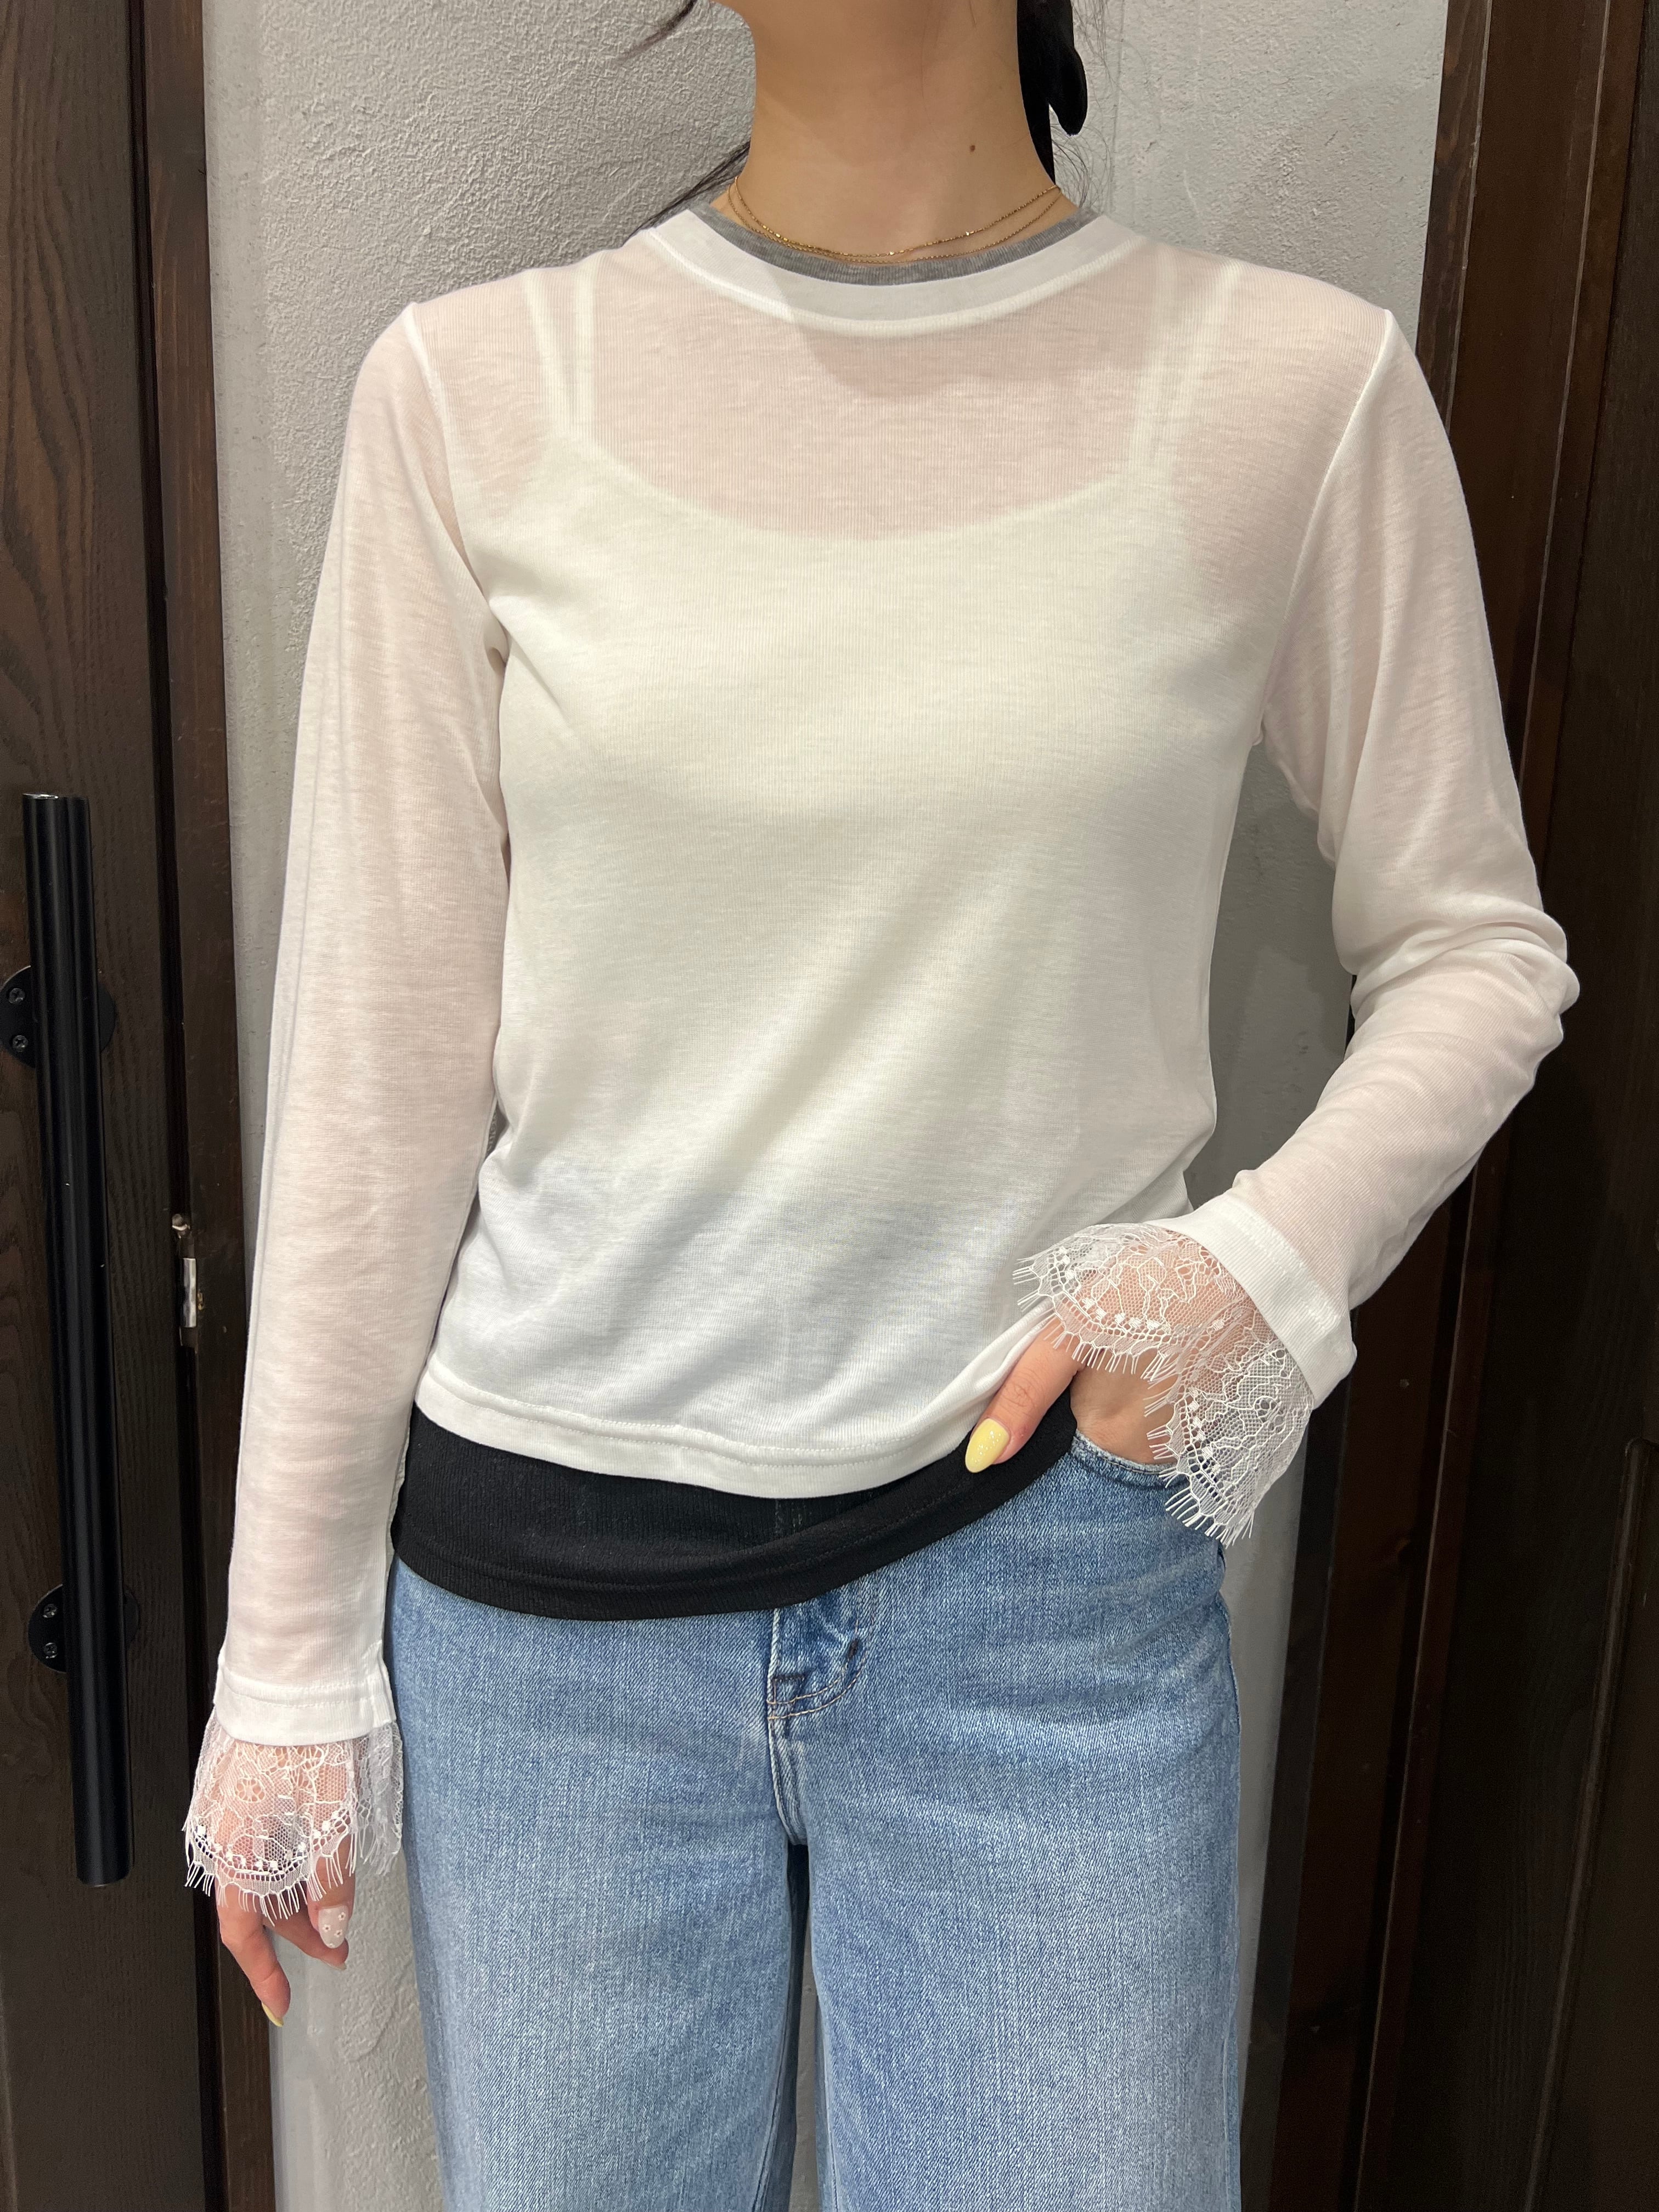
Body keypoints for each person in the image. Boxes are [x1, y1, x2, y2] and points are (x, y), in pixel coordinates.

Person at [183, 2, 1577, 2205]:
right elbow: (378, 1060)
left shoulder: (1291, 392)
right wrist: (284, 1662)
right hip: (550, 1624)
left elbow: (1479, 947)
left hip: (1041, 1590)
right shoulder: (474, 392)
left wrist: (1252, 1277)